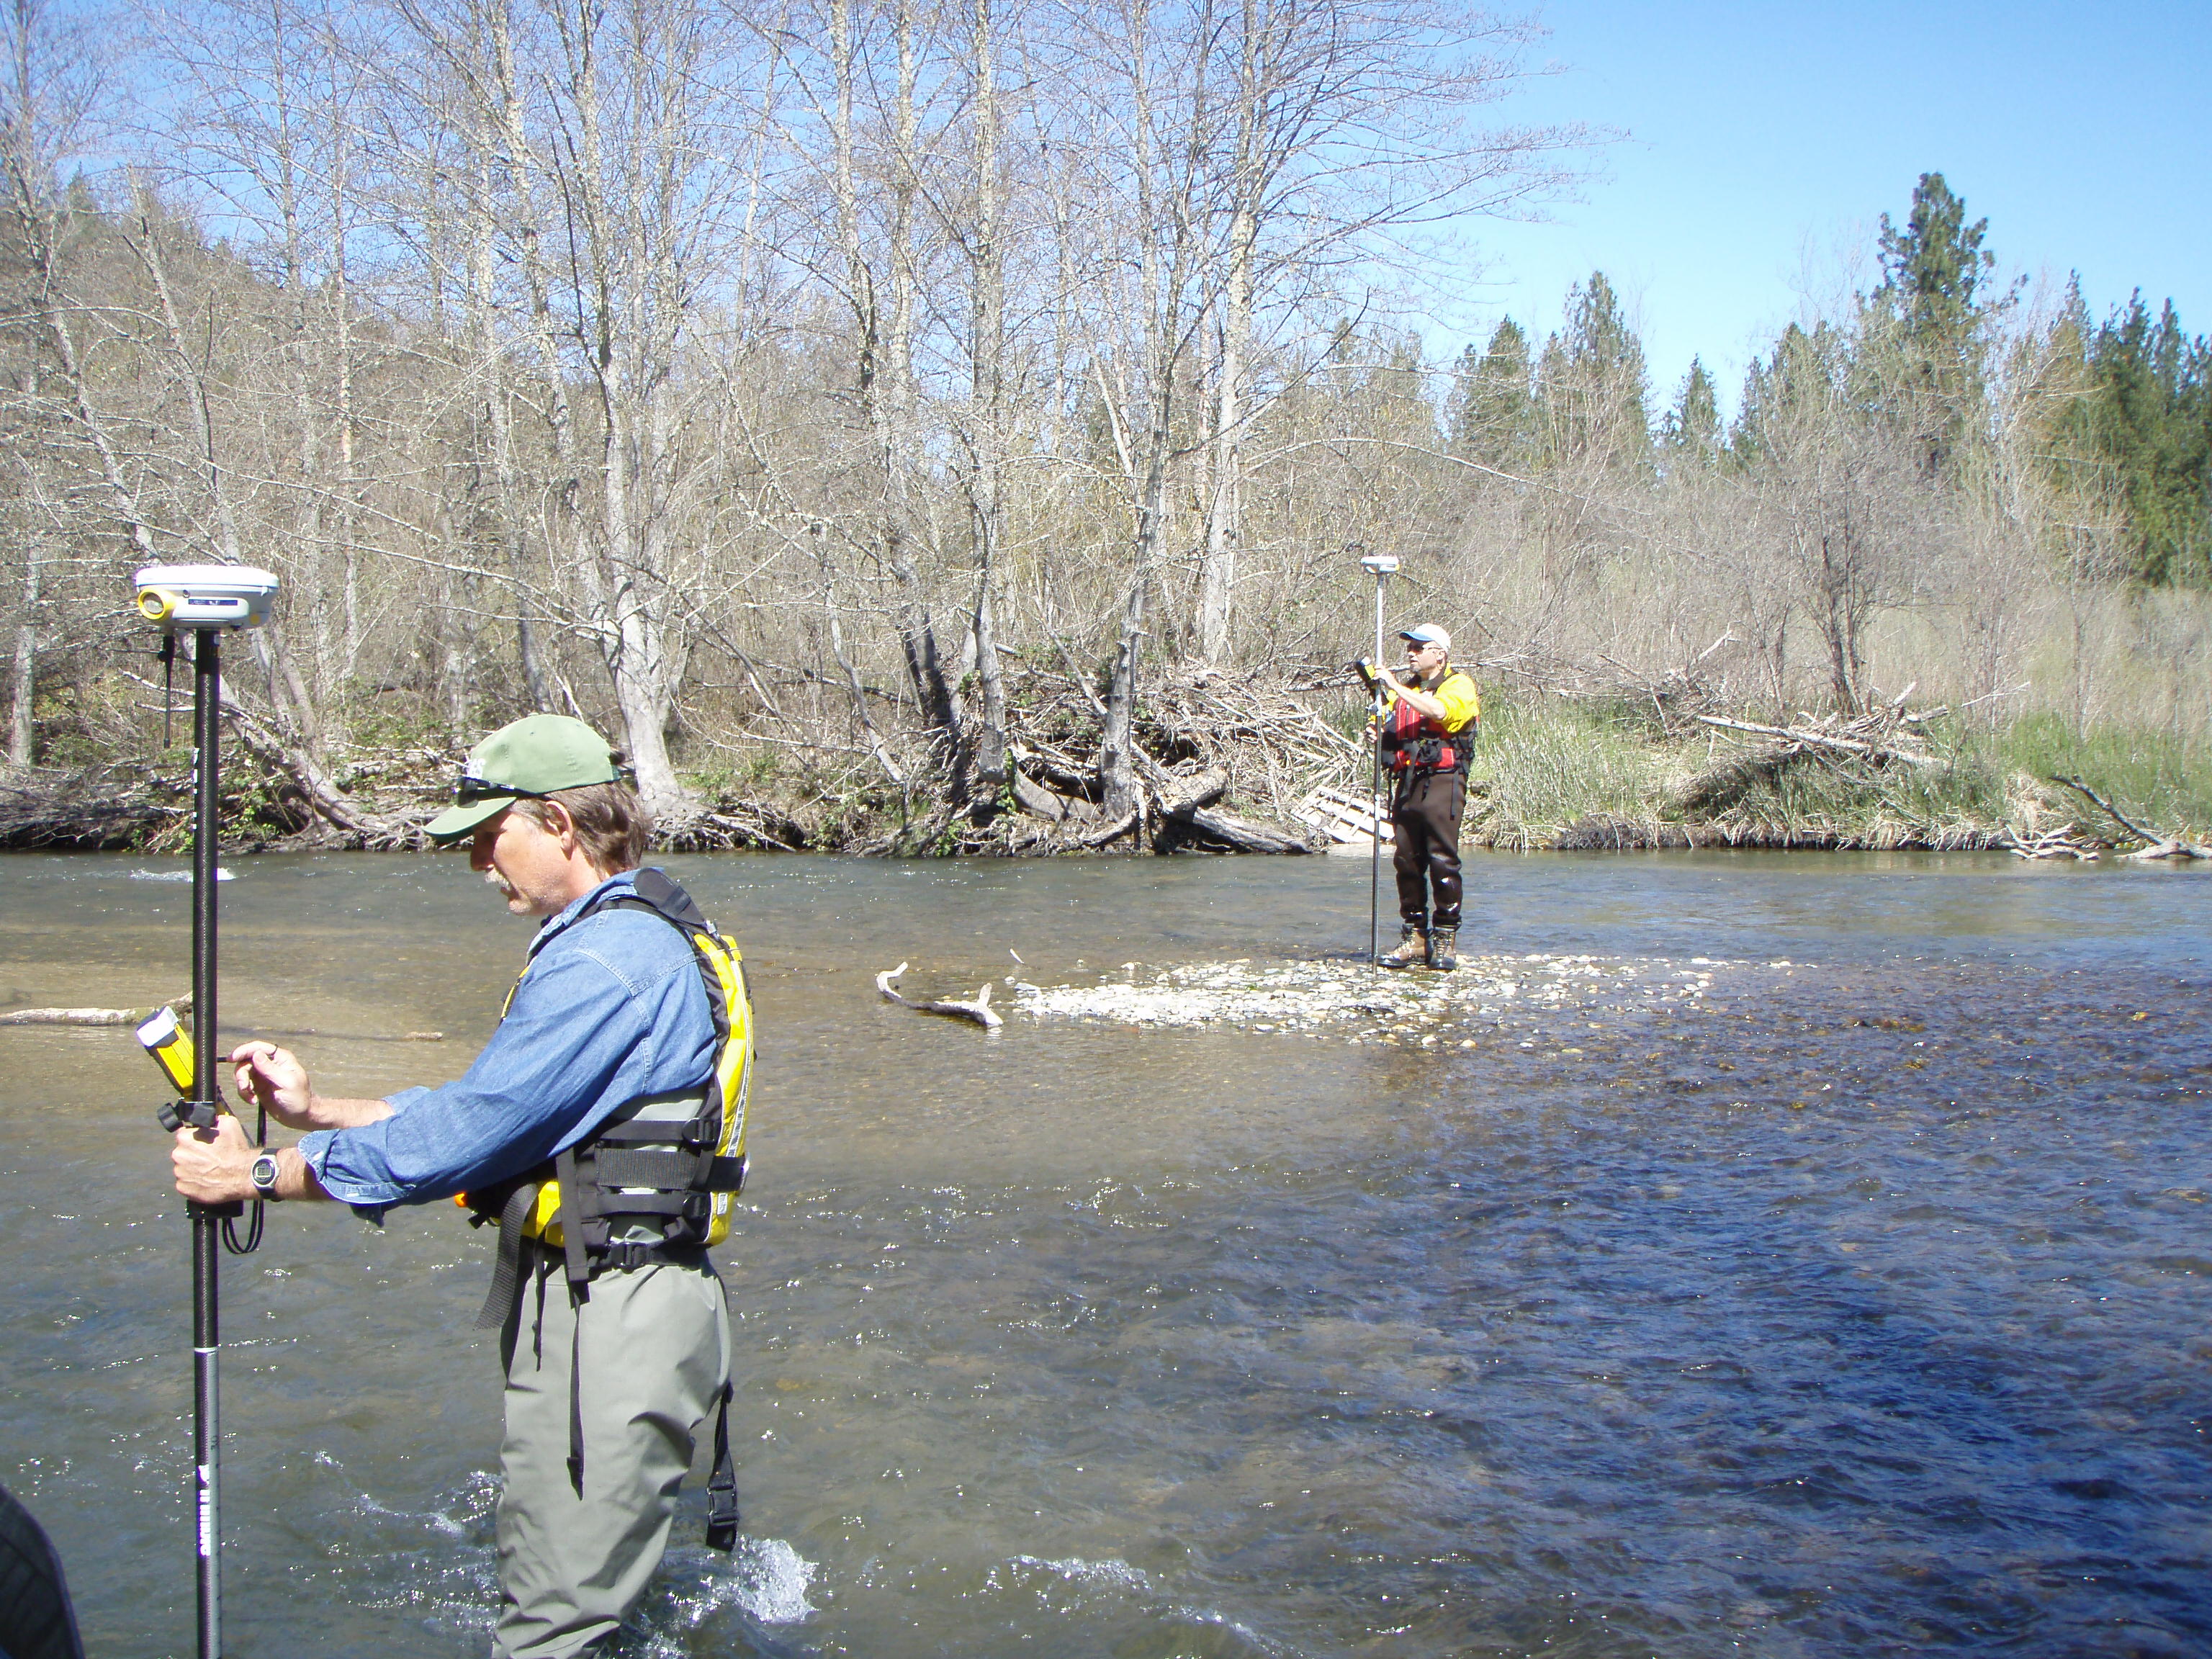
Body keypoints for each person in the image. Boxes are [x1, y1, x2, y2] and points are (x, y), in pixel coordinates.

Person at [168, 714, 752, 1659]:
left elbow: (466, 1139)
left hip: (612, 1313)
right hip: (604, 1298)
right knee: (575, 1596)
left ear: (560, 824)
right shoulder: (624, 938)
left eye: (490, 835)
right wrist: (321, 1113)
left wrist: (257, 1172)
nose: (477, 859)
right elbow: (500, 1116)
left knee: (554, 1630)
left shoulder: (607, 960)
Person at [1371, 624, 1480, 971]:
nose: (1411, 653)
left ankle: (1445, 938)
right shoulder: (1407, 691)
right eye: (1410, 648)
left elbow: (1438, 712)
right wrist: (1381, 732)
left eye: (1419, 647)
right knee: (1407, 860)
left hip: (1443, 781)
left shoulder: (1459, 686)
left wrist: (1394, 686)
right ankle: (1414, 937)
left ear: (1440, 654)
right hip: (1407, 781)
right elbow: (1395, 723)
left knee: (1442, 860)